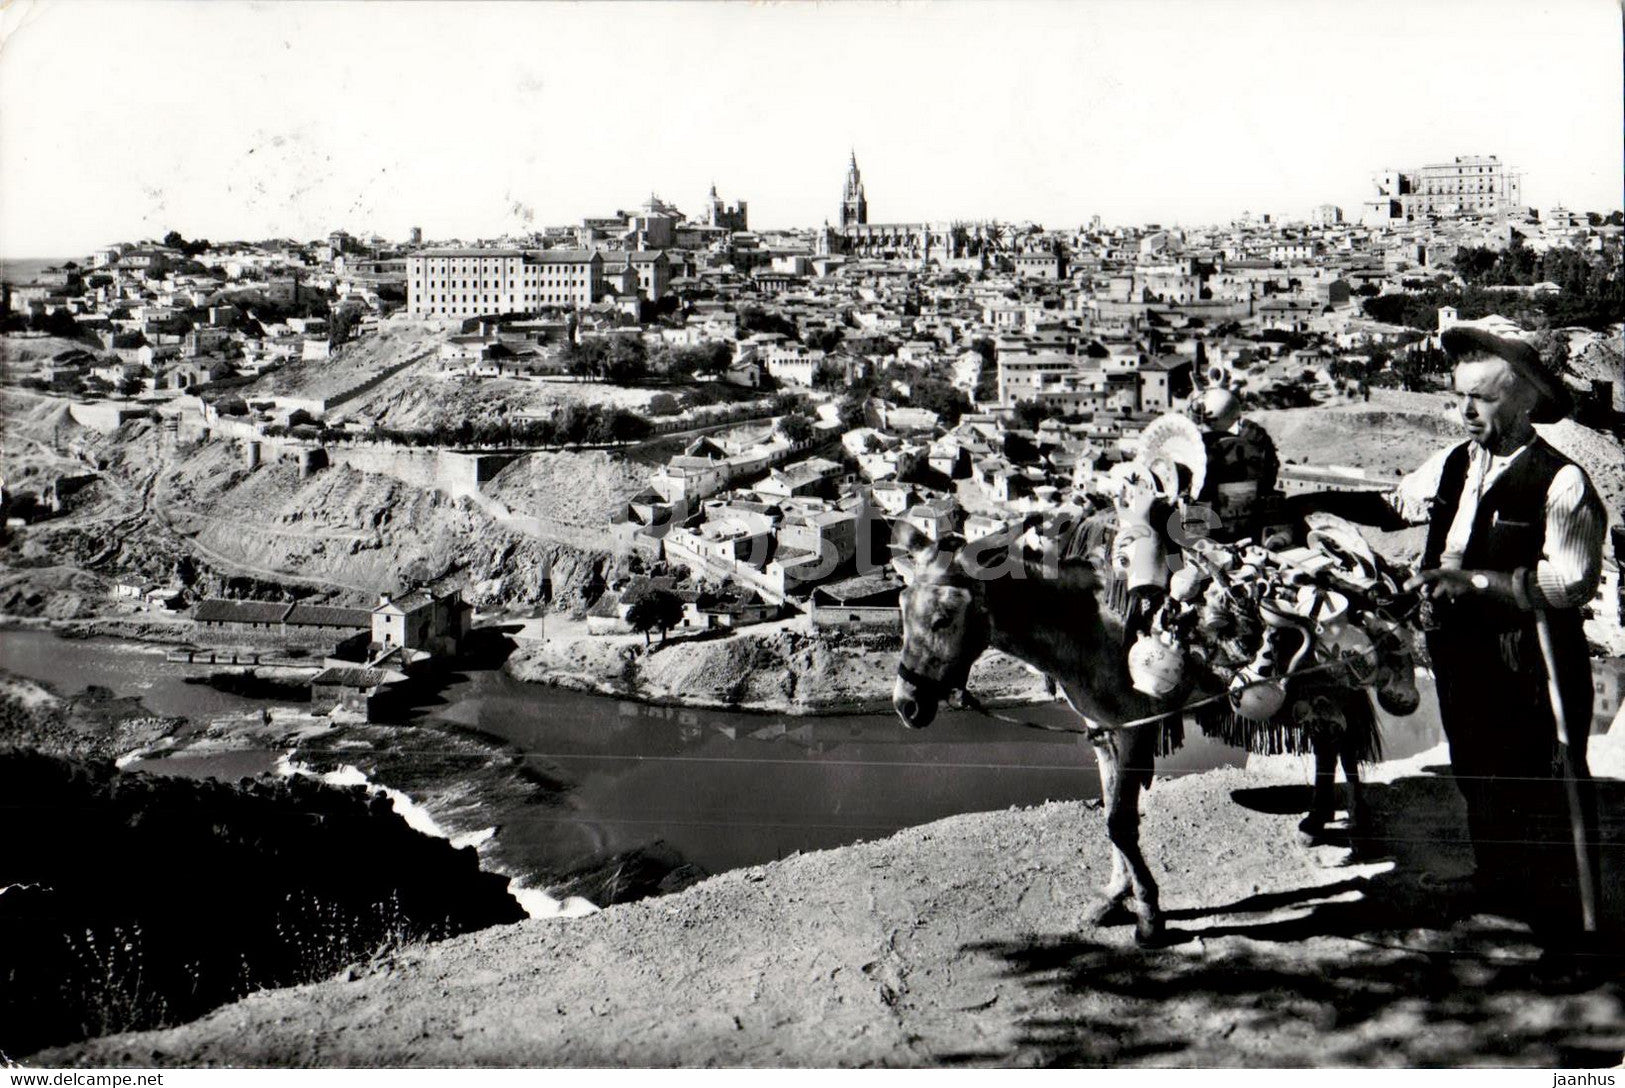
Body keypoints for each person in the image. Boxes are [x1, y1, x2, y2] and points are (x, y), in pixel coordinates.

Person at [1292, 326, 1606, 963]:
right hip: (1464, 654)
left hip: (1530, 659)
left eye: (1481, 401)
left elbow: (1572, 583)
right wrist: (1310, 501)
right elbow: (1398, 503)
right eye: (1459, 397)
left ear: (1522, 402)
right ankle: (1497, 886)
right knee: (1476, 769)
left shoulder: (1562, 482)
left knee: (1538, 780)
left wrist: (1478, 581)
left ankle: (1564, 927)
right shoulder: (1458, 461)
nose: (1464, 412)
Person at [1189, 387, 1282, 543]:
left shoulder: (1194, 449)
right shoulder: (1255, 444)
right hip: (1248, 531)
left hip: (1203, 533)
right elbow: (1269, 481)